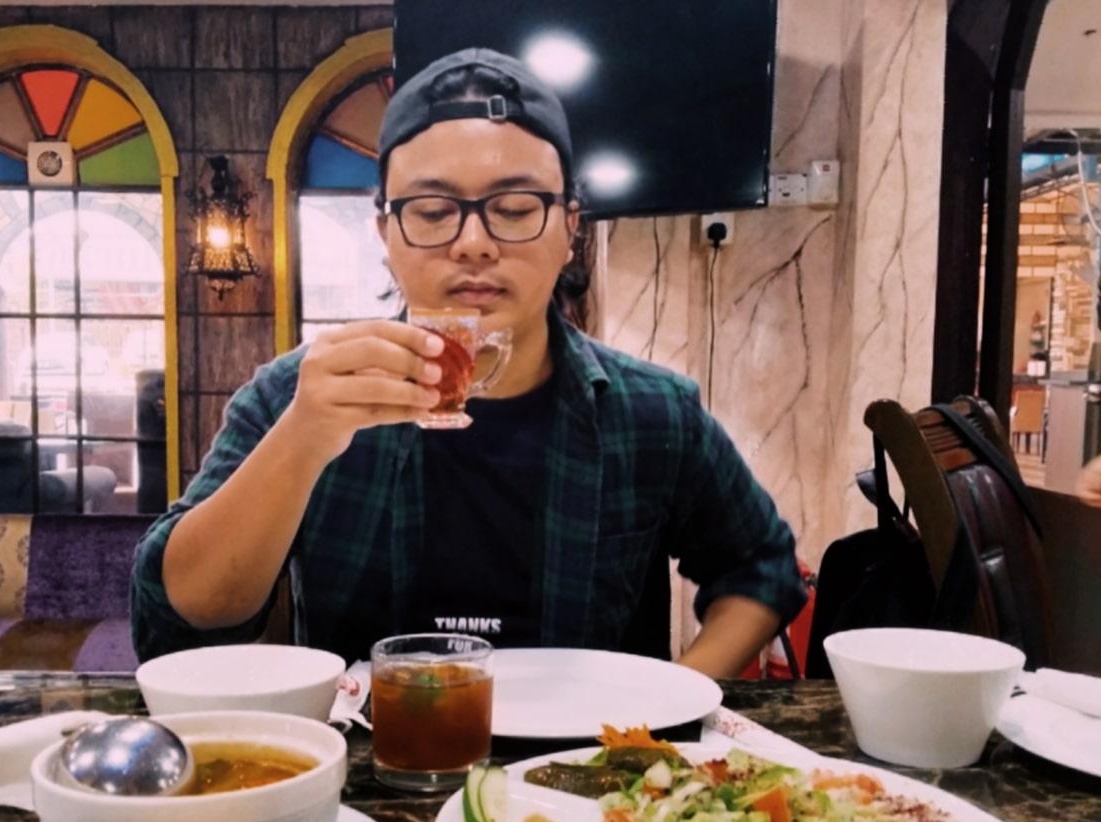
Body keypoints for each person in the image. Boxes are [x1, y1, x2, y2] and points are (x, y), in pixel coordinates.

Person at [132, 47, 808, 676]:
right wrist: (304, 439)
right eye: (432, 211)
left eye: (515, 209)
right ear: (387, 234)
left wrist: (665, 713)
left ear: (571, 228)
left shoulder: (654, 413)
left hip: (583, 783)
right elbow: (175, 622)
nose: (475, 243)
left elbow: (761, 566)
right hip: (376, 778)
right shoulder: (295, 397)